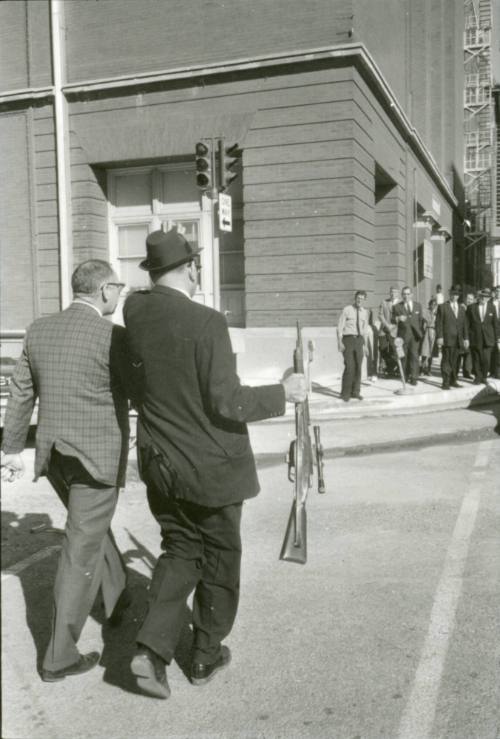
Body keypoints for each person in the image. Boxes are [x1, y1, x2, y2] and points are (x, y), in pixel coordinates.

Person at [123, 229, 306, 700]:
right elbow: (228, 402)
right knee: (221, 560)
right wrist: (284, 392)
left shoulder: (136, 310)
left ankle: (151, 648)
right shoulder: (206, 322)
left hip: (160, 461)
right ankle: (204, 654)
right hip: (210, 466)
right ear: (191, 268)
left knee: (180, 550)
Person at [0, 261, 132, 682]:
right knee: (80, 548)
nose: (121, 294)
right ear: (104, 290)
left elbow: (21, 393)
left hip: (55, 454)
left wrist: (11, 448)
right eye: (119, 287)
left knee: (90, 529)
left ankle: (117, 599)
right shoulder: (114, 336)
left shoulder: (39, 329)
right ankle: (58, 656)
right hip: (96, 458)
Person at [337, 290, 369, 401]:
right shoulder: (347, 310)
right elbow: (340, 327)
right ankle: (345, 393)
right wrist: (339, 342)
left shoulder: (365, 312)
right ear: (355, 298)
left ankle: (355, 392)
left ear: (364, 300)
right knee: (349, 366)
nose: (359, 300)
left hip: (359, 340)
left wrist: (365, 346)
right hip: (348, 340)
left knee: (358, 367)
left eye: (362, 298)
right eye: (358, 298)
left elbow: (365, 330)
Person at [435, 287, 469, 390]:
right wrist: (440, 337)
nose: (455, 296)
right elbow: (438, 323)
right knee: (446, 361)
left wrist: (466, 338)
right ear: (449, 294)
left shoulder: (462, 308)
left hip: (459, 340)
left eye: (457, 295)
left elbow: (464, 325)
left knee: (456, 361)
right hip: (447, 339)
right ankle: (445, 382)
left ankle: (453, 380)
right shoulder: (443, 307)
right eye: (453, 294)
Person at [392, 286, 425, 385]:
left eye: (408, 294)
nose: (406, 296)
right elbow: (392, 319)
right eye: (404, 294)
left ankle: (414, 377)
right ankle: (405, 376)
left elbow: (420, 320)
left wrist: (419, 332)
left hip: (415, 336)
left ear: (411, 295)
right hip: (403, 336)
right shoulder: (397, 307)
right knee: (404, 356)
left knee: (414, 356)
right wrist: (398, 318)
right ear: (402, 295)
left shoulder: (418, 306)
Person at [466, 288, 500, 384]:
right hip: (475, 337)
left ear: (489, 298)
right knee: (476, 358)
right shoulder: (471, 307)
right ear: (479, 297)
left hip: (488, 338)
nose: (484, 299)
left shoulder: (492, 307)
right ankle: (477, 377)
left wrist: (498, 338)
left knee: (486, 359)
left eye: (486, 297)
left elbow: (495, 324)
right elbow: (466, 323)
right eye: (482, 297)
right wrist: (466, 337)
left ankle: (484, 376)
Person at [377, 286, 399, 376]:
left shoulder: (401, 303)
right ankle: (388, 368)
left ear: (398, 293)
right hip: (384, 330)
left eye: (395, 292)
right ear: (389, 293)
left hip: (396, 331)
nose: (393, 293)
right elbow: (380, 315)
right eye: (391, 292)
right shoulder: (384, 302)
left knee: (395, 350)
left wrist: (393, 326)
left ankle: (392, 368)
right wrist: (387, 325)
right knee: (383, 349)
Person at [420, 297, 438, 375]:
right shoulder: (426, 312)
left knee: (431, 352)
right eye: (432, 304)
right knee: (425, 351)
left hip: (434, 332)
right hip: (426, 333)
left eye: (435, 304)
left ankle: (428, 369)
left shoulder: (437, 313)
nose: (433, 306)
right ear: (429, 305)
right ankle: (422, 368)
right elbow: (424, 322)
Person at [460, 293, 476, 379]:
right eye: (468, 298)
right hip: (461, 333)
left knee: (468, 353)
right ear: (465, 299)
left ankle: (467, 372)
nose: (469, 300)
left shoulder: (474, 308)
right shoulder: (461, 307)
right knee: (460, 353)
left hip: (470, 334)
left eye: (471, 299)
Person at [488, 286, 500, 379]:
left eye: (499, 291)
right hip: (492, 329)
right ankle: (493, 371)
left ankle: (498, 372)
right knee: (493, 350)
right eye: (496, 291)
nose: (498, 293)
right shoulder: (489, 303)